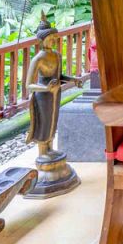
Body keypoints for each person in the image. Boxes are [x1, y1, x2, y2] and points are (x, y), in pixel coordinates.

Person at [23, 16, 81, 198]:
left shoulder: (56, 55)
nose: (53, 41)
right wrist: (45, 88)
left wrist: (73, 80)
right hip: (43, 95)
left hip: (55, 94)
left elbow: (59, 75)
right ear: (42, 40)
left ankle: (49, 149)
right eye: (49, 38)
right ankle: (43, 152)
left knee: (53, 121)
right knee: (43, 123)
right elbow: (29, 85)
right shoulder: (38, 59)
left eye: (54, 38)